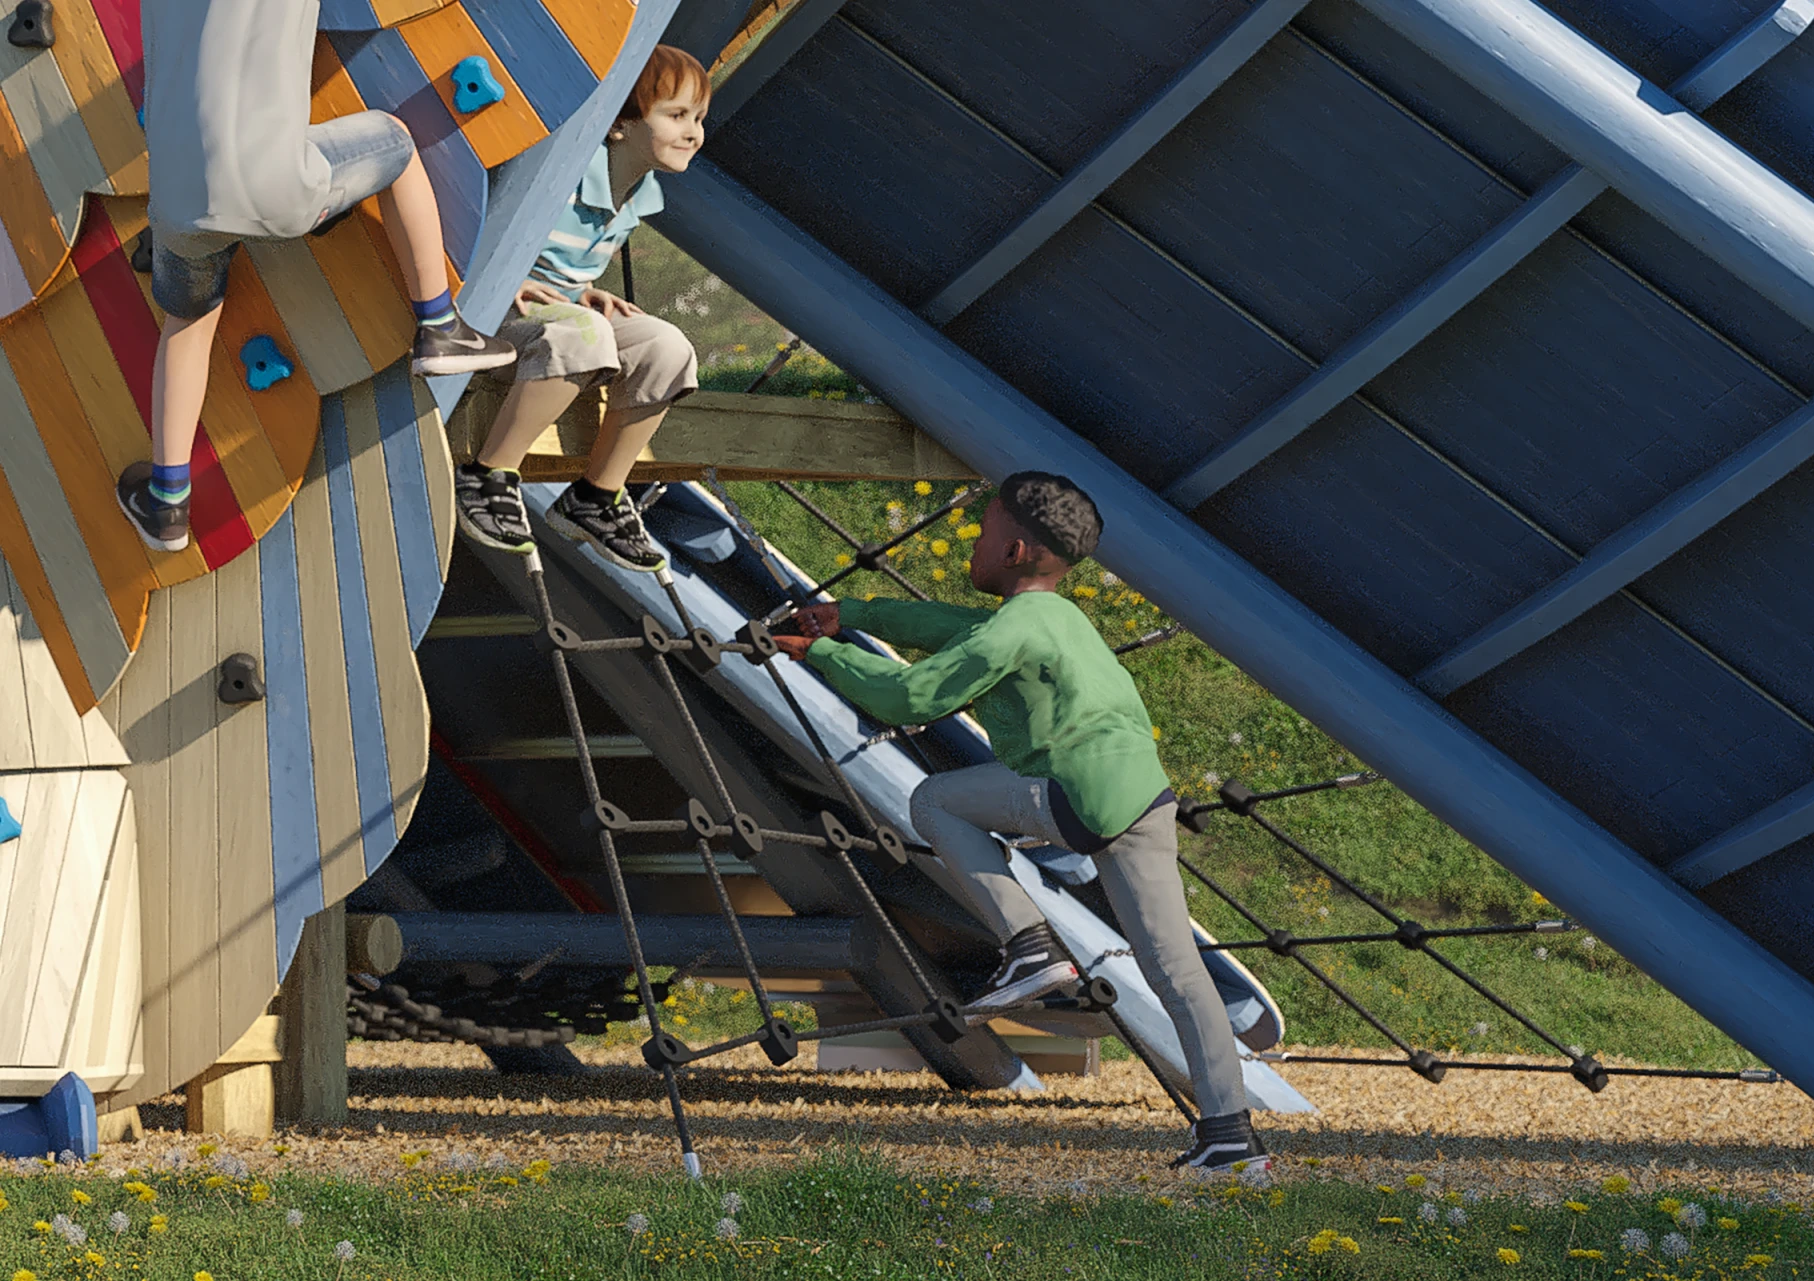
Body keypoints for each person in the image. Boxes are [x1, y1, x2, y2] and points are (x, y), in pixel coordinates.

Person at [773, 473, 1270, 1174]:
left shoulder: (1013, 627)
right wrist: (849, 612)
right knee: (1178, 973)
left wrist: (822, 652)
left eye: (980, 532)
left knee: (934, 800)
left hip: (1076, 794)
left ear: (1013, 548)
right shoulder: (1057, 616)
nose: (973, 543)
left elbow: (909, 694)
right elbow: (948, 627)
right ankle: (1231, 1138)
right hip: (1146, 800)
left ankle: (1029, 944)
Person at [118, 0, 517, 554]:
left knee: (188, 319)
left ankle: (167, 502)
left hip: (175, 195)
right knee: (395, 142)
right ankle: (440, 324)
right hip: (276, 183)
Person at [450, 44, 709, 573]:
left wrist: (579, 293)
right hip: (490, 303)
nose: (694, 132)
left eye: (699, 118)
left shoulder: (640, 193)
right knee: (581, 333)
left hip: (555, 312)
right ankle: (487, 473)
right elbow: (473, 216)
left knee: (668, 347)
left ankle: (595, 496)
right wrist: (510, 277)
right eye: (677, 115)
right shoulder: (565, 167)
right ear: (621, 124)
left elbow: (566, 270)